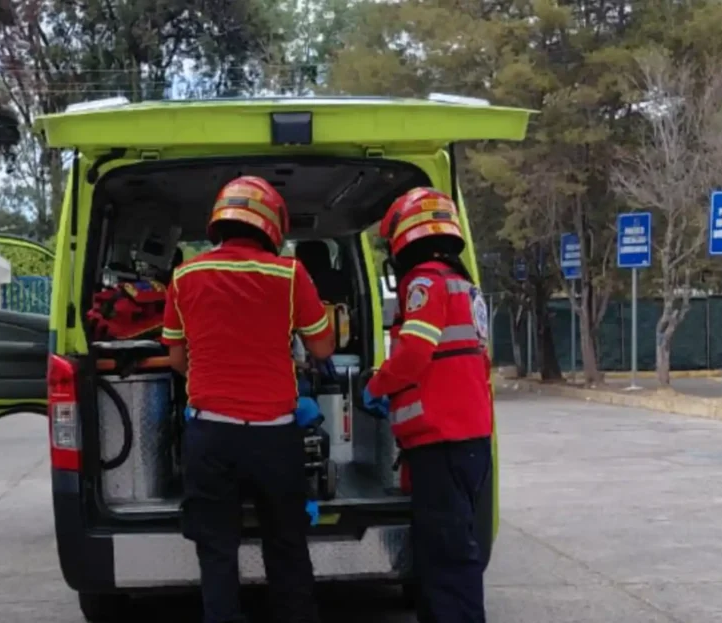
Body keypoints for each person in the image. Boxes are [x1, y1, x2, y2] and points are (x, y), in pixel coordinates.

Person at [161, 175, 335, 623]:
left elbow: (177, 359)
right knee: (286, 549)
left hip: (209, 436)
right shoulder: (290, 274)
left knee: (217, 553)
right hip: (274, 439)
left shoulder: (184, 276)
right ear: (272, 226)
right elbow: (323, 349)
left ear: (220, 221)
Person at [361, 187, 494, 623]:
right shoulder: (463, 286)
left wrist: (378, 387)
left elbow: (416, 353)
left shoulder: (424, 282)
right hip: (467, 438)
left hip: (443, 441)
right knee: (456, 551)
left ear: (405, 237)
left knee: (445, 560)